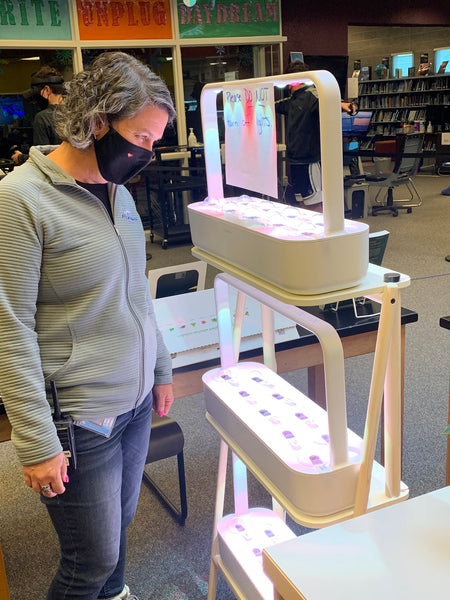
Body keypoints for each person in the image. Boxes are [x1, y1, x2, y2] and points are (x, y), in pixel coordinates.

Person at [0, 51, 176, 600]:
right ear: (98, 122)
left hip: (137, 400)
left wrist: (163, 369)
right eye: (142, 138)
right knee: (90, 560)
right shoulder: (20, 200)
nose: (149, 153)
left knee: (117, 538)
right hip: (81, 418)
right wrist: (35, 440)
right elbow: (11, 329)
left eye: (155, 140)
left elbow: (136, 292)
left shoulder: (120, 194)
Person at [276, 60, 356, 211]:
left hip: (309, 160)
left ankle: (320, 233)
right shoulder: (292, 101)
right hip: (295, 161)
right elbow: (275, 105)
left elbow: (329, 101)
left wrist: (345, 106)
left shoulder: (312, 94)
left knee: (314, 202)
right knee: (302, 202)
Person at [11, 65, 64, 165]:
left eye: (38, 91)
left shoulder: (43, 118)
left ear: (47, 90)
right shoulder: (76, 113)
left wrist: (20, 158)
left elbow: (42, 159)